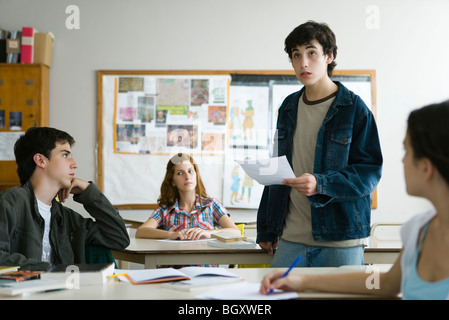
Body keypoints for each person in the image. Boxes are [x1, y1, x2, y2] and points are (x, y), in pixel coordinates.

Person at [261, 100, 449, 299]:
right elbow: (383, 283)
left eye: (407, 152)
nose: (402, 160)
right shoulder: (419, 230)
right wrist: (302, 281)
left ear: (427, 167)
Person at [257, 20, 383, 267]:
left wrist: (321, 184)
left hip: (340, 239)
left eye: (311, 53)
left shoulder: (355, 110)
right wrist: (267, 229)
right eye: (296, 55)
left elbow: (369, 173)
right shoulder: (288, 107)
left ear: (329, 56)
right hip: (291, 238)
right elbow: (277, 169)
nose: (303, 62)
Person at [0, 127, 130, 271]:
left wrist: (88, 191)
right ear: (40, 160)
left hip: (65, 291)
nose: (74, 164)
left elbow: (119, 238)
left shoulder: (65, 217)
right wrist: (52, 270)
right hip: (23, 291)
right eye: (65, 155)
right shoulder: (12, 201)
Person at [136, 153, 240, 240]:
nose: (187, 176)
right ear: (172, 181)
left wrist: (209, 233)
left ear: (196, 175)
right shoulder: (165, 209)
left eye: (190, 171)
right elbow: (141, 232)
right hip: (173, 264)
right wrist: (171, 234)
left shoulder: (211, 204)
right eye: (180, 173)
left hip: (204, 263)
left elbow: (235, 232)